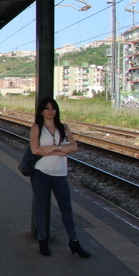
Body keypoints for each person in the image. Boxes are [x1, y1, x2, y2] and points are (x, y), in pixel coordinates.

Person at [29, 97, 90, 258]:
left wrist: (52, 147)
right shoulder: (36, 128)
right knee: (40, 207)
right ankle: (42, 240)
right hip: (41, 172)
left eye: (53, 108)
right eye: (47, 108)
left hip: (60, 173)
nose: (50, 111)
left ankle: (74, 241)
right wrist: (61, 151)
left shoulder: (64, 128)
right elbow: (35, 150)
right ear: (41, 111)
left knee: (67, 209)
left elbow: (74, 147)